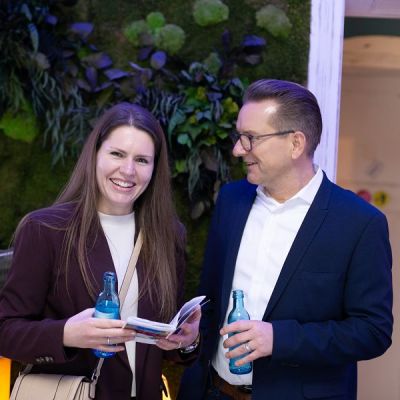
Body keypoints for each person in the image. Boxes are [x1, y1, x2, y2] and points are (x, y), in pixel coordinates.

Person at [178, 79, 393, 400]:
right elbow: (210, 299)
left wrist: (279, 339)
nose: (238, 150)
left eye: (251, 138)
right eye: (239, 137)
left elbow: (372, 331)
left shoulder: (360, 223)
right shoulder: (232, 200)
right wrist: (193, 335)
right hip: (212, 391)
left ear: (295, 143)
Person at [0, 103, 201, 400]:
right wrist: (66, 334)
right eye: (117, 154)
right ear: (94, 155)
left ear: (155, 169)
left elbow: (164, 342)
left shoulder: (169, 235)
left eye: (142, 160)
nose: (128, 170)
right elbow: (6, 331)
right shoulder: (45, 230)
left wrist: (187, 341)